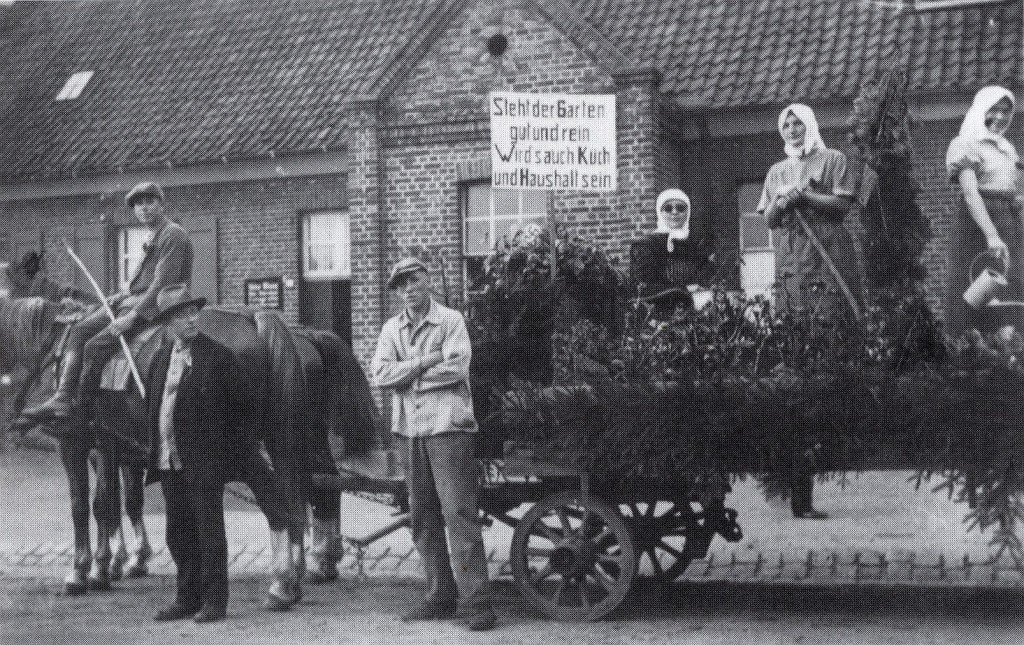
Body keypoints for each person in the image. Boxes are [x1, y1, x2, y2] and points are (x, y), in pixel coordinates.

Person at [371, 257, 496, 631]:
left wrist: (409, 377)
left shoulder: (451, 321)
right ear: (397, 292)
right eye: (401, 283)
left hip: (448, 430)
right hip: (409, 432)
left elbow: (457, 366)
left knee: (458, 513)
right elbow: (380, 373)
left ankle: (478, 605)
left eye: (415, 279)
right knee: (422, 515)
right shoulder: (391, 329)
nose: (409, 287)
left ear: (427, 282)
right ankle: (441, 596)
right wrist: (427, 361)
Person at [759, 103, 865, 520]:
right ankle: (800, 491)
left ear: (810, 125)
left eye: (797, 122)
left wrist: (804, 195)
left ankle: (839, 438)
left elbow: (842, 206)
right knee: (796, 364)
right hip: (791, 270)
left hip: (828, 262)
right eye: (786, 124)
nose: (792, 128)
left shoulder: (834, 160)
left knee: (832, 344)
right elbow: (768, 218)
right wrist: (782, 203)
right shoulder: (775, 171)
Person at [24, 181, 193, 420]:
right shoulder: (152, 235)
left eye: (149, 202)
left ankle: (82, 413)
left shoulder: (173, 235)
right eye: (138, 204)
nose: (144, 208)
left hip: (160, 304)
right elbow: (142, 281)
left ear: (162, 204)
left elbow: (161, 285)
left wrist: (131, 318)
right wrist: (120, 296)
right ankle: (62, 397)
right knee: (79, 330)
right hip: (132, 300)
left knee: (94, 346)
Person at [146, 284, 245, 623]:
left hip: (204, 462)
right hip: (168, 459)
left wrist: (222, 460)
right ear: (167, 324)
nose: (190, 320)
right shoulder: (160, 359)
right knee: (178, 531)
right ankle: (186, 598)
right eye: (180, 315)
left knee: (208, 531)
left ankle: (215, 601)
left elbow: (236, 414)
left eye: (192, 312)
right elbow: (155, 408)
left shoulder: (218, 357)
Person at [946, 86, 1022, 335]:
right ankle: (970, 353)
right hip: (977, 221)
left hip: (1008, 219)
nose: (1000, 117)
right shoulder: (965, 143)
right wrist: (991, 233)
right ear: (981, 111)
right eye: (994, 110)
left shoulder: (1008, 149)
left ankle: (1010, 353)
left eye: (1006, 111)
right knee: (974, 286)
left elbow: (1014, 190)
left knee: (1011, 284)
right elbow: (970, 193)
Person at [630, 188, 714, 320]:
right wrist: (686, 289)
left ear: (687, 212)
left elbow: (703, 279)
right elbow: (644, 287)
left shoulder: (693, 246)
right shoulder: (647, 245)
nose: (675, 212)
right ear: (660, 212)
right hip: (658, 316)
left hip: (694, 315)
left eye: (680, 208)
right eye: (668, 208)